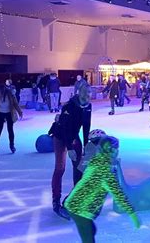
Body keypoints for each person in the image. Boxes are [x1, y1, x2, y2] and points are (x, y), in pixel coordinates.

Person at [64, 136, 141, 242]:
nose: (117, 151)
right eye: (116, 149)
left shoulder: (96, 161)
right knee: (88, 236)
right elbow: (118, 194)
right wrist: (133, 214)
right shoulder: (105, 172)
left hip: (74, 204)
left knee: (91, 230)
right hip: (80, 209)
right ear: (110, 151)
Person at [51, 84, 92, 217]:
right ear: (79, 93)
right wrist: (69, 148)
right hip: (60, 135)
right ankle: (56, 201)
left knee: (79, 168)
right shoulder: (70, 106)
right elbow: (65, 128)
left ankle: (74, 199)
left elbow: (86, 127)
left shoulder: (88, 106)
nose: (88, 96)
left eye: (89, 93)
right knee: (60, 168)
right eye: (85, 93)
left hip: (74, 136)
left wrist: (86, 146)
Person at [0, 85, 23, 154]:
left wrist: (19, 112)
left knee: (10, 130)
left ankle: (12, 146)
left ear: (3, 90)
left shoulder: (10, 94)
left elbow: (15, 104)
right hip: (0, 114)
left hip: (9, 113)